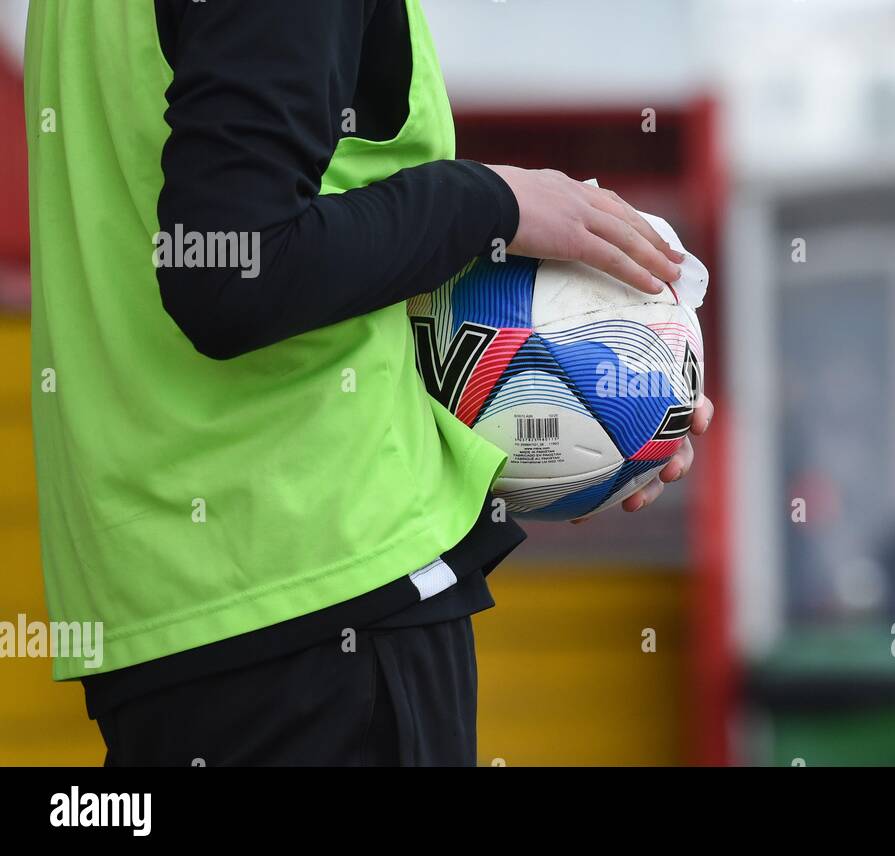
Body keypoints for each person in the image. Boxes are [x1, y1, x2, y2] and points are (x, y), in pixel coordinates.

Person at [25, 0, 711, 765]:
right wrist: (490, 201)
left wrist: (617, 391)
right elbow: (227, 270)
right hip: (319, 608)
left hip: (173, 613)